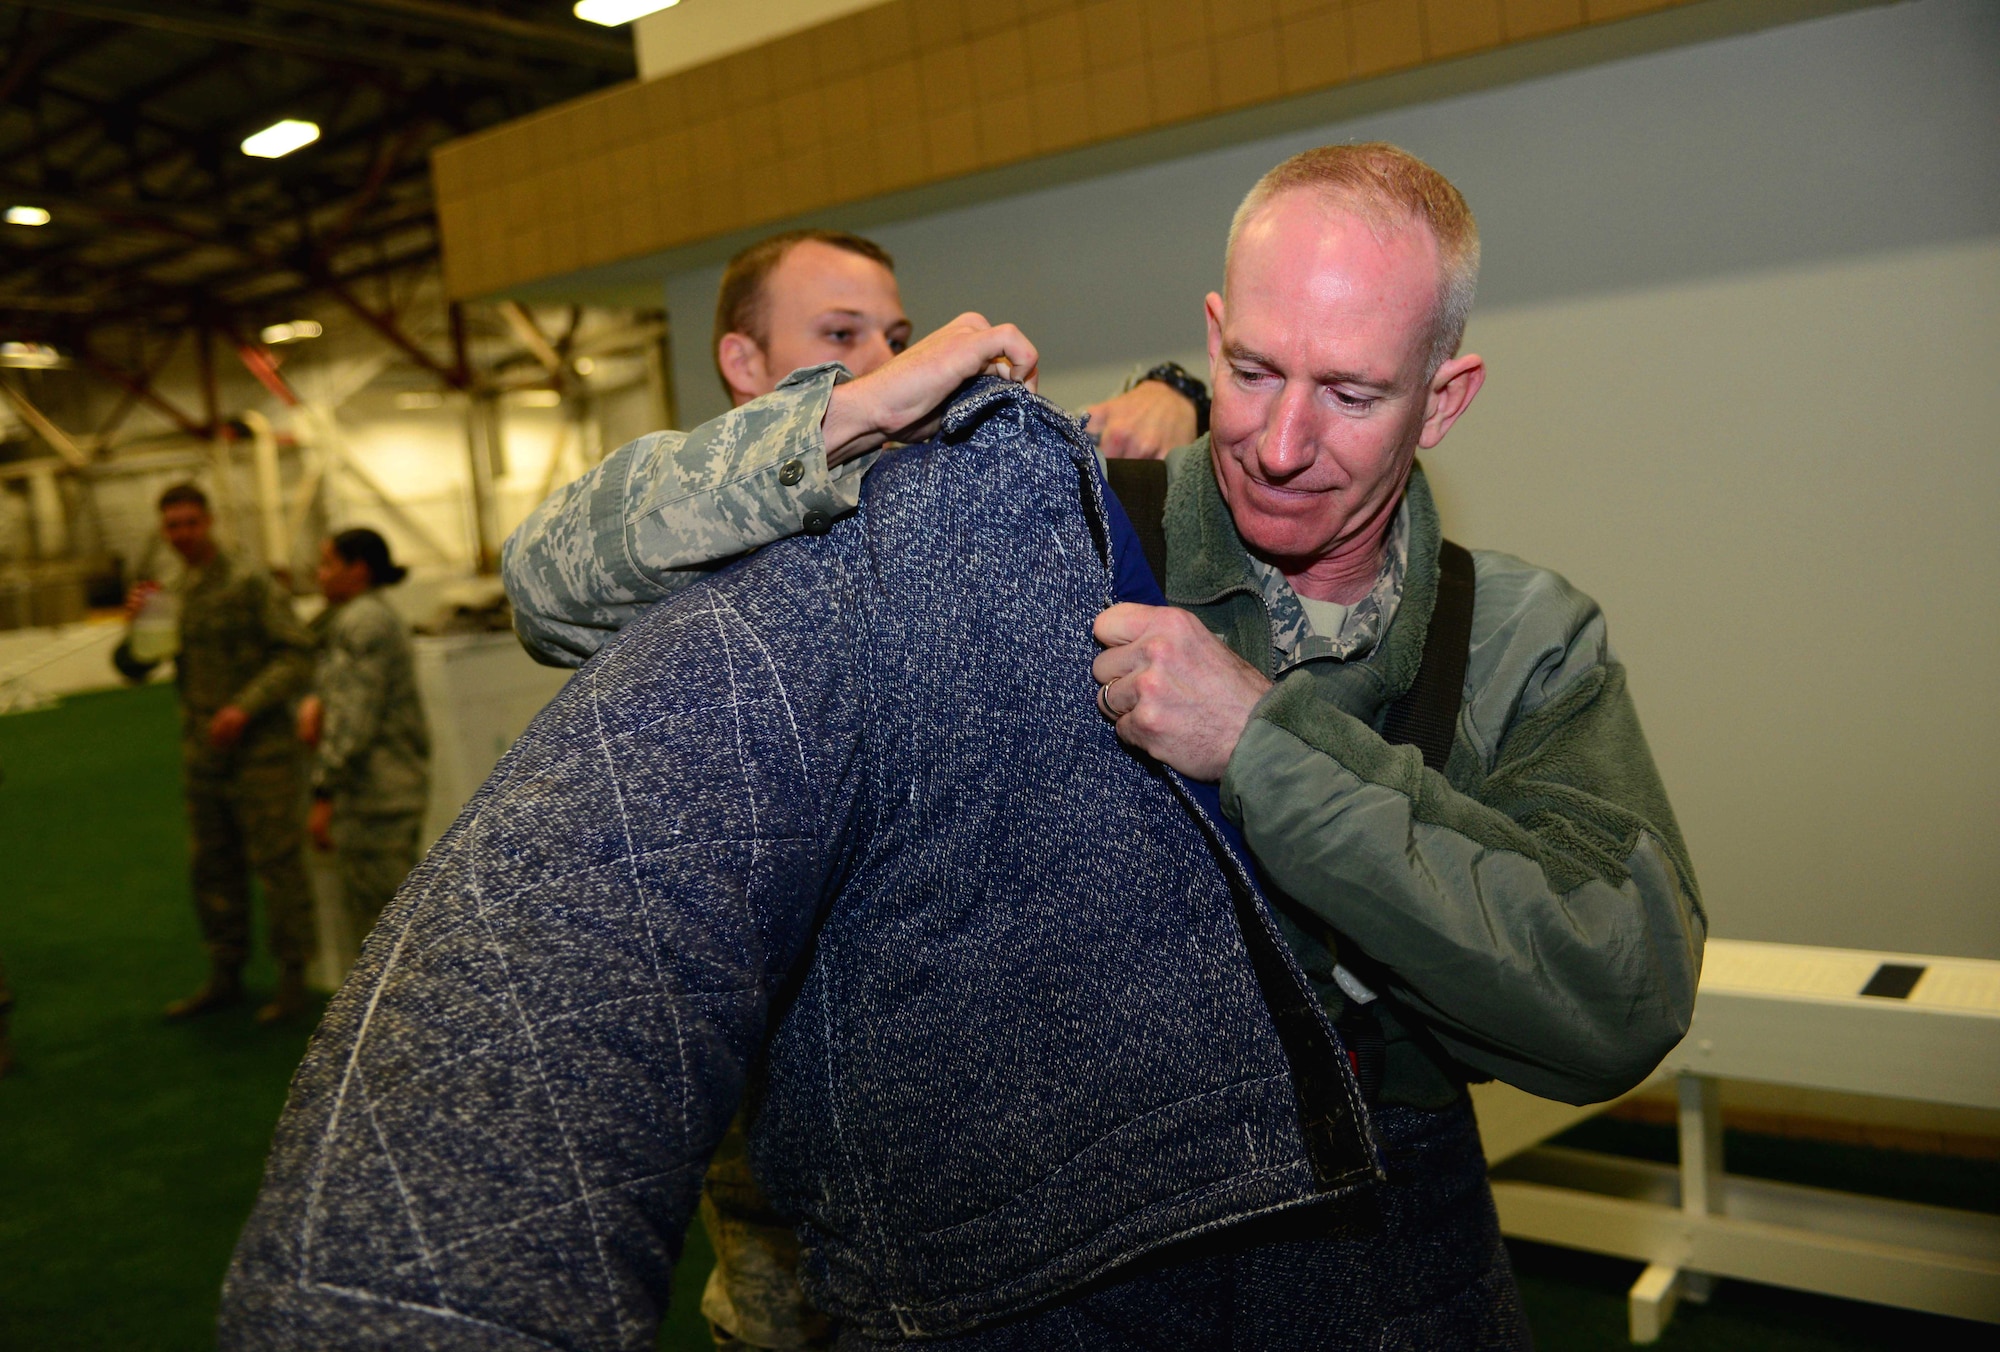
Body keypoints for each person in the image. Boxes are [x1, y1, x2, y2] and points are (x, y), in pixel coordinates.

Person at [492, 142, 1703, 1337]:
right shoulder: (1057, 529)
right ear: (1211, 337)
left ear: (1442, 396)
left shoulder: (1512, 641)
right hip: (1052, 1281)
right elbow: (554, 590)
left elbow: (1617, 995)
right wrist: (849, 415)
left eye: (1349, 394)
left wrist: (1267, 746)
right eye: (1252, 371)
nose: (1282, 443)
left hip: (1394, 1269)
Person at [506, 226, 1202, 670]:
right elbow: (541, 590)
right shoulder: (690, 520)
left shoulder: (926, 468)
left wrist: (1175, 395)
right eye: (840, 335)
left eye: (896, 339)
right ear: (742, 362)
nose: (884, 358)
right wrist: (866, 403)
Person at [115, 483, 317, 1024]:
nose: (182, 533)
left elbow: (297, 653)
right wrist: (137, 624)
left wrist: (244, 707)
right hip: (203, 753)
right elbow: (137, 666)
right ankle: (225, 973)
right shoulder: (171, 590)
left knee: (278, 866)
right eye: (172, 525)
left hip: (262, 751)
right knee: (213, 867)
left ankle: (293, 979)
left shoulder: (248, 580)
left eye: (190, 522)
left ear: (209, 522)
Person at [298, 528, 430, 950]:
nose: (319, 574)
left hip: (375, 800)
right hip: (383, 794)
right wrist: (318, 699)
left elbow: (353, 722)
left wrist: (323, 793)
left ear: (358, 570)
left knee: (386, 939)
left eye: (328, 564)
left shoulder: (363, 621)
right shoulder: (362, 616)